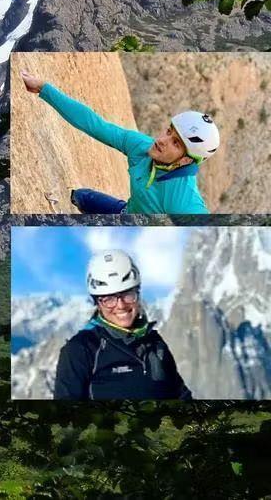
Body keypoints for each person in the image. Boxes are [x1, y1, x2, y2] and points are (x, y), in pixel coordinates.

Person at [20, 69, 218, 214]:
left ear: (185, 161)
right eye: (169, 132)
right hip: (125, 213)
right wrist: (43, 88)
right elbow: (96, 125)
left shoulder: (182, 202)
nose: (163, 140)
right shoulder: (143, 148)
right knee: (80, 196)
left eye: (175, 143)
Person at [53, 249, 191, 400]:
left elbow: (181, 396)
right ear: (98, 303)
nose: (121, 306)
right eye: (109, 299)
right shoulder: (81, 349)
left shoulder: (155, 343)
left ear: (138, 294)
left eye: (127, 294)